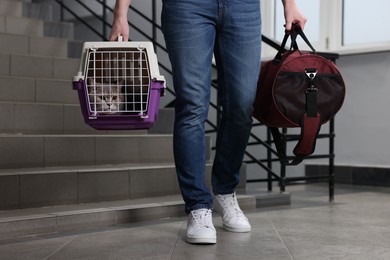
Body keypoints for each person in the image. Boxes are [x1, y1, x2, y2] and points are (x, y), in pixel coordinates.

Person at [110, 0, 306, 245]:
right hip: (186, 6)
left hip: (243, 7)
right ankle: (198, 206)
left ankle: (225, 191)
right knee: (192, 105)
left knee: (242, 105)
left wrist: (290, 5)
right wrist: (121, 11)